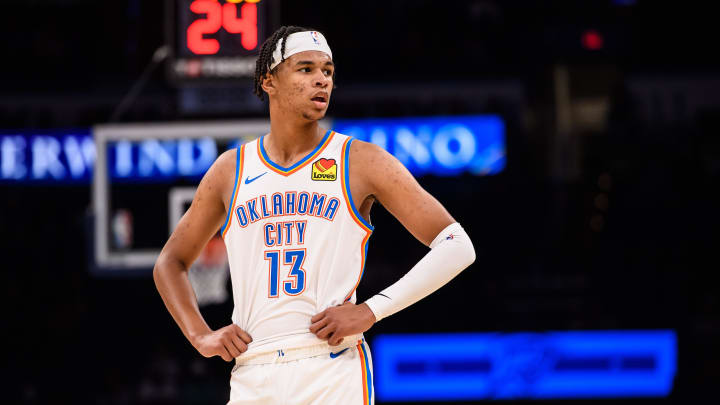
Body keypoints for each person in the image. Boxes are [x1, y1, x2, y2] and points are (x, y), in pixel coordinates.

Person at [153, 26, 476, 405]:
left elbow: (457, 245)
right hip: (251, 371)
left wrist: (372, 310)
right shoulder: (231, 170)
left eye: (327, 70)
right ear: (268, 81)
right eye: (305, 69)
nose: (321, 79)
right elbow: (170, 262)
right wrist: (201, 336)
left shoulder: (359, 161)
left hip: (330, 365)